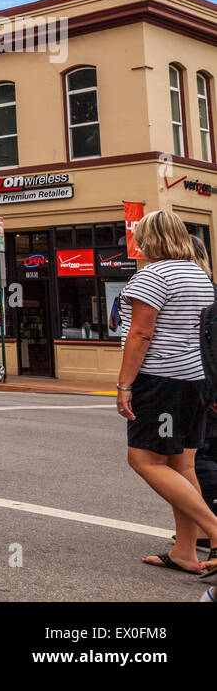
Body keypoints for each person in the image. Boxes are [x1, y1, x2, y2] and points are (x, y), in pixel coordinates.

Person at [118, 210, 217, 576]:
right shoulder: (199, 274)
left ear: (150, 238)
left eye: (140, 235)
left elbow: (141, 335)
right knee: (182, 464)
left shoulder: (153, 276)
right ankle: (184, 551)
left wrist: (125, 385)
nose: (137, 242)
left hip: (161, 381)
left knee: (143, 460)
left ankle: (215, 530)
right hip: (195, 381)